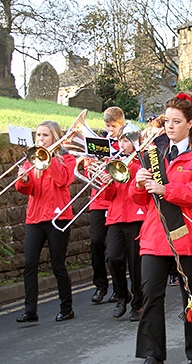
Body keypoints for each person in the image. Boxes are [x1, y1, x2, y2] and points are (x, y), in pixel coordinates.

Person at [130, 92, 192, 364]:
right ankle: (153, 356)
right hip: (155, 236)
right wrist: (139, 184)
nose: (169, 126)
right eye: (166, 121)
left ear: (190, 124)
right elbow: (140, 200)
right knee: (150, 295)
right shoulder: (153, 152)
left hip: (187, 237)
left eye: (176, 121)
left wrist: (168, 190)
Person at [14, 121, 76, 322]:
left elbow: (62, 180)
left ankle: (66, 308)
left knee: (58, 264)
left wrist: (49, 160)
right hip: (35, 216)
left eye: (45, 136)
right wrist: (23, 180)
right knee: (30, 263)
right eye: (38, 135)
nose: (40, 139)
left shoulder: (67, 158)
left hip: (58, 217)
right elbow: (26, 189)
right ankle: (30, 310)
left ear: (55, 138)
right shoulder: (30, 159)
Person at [101, 124, 146, 321]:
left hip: (136, 216)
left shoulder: (143, 161)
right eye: (121, 140)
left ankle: (138, 303)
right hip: (116, 216)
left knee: (136, 263)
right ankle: (122, 295)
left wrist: (132, 168)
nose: (123, 144)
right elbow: (107, 196)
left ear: (135, 142)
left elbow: (143, 190)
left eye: (126, 140)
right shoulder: (113, 162)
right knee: (112, 257)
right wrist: (108, 181)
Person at [90, 106, 125, 304]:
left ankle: (118, 288)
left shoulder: (126, 143)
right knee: (96, 242)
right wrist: (93, 164)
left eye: (113, 126)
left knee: (116, 251)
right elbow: (87, 168)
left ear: (121, 123)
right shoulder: (99, 143)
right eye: (107, 126)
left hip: (116, 199)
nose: (110, 129)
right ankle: (100, 285)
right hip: (98, 198)